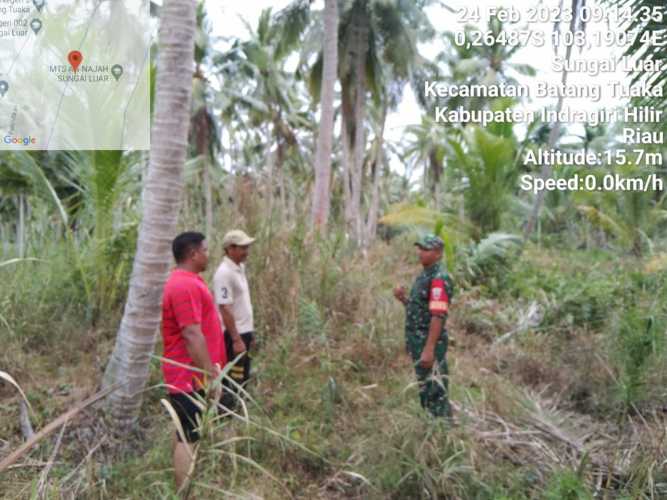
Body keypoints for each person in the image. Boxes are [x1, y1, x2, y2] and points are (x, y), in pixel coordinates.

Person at [161, 231, 226, 490]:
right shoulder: (183, 285)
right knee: (188, 435)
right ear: (193, 254)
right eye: (206, 250)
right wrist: (209, 374)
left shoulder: (188, 281)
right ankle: (183, 493)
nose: (208, 255)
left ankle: (184, 489)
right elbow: (191, 333)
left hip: (191, 373)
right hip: (188, 376)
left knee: (186, 432)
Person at [393, 234, 454, 418]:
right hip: (418, 341)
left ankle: (441, 429)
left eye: (425, 249)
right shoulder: (425, 275)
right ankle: (431, 423)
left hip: (427, 342)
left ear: (438, 254)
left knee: (435, 389)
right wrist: (404, 299)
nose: (420, 252)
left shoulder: (438, 278)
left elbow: (437, 316)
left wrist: (429, 349)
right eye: (419, 248)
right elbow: (421, 309)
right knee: (425, 386)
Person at [213, 229, 256, 410]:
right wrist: (237, 339)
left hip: (244, 331)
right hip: (233, 334)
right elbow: (225, 308)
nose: (246, 251)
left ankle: (238, 409)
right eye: (242, 248)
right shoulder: (224, 274)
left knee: (244, 373)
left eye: (247, 247)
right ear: (230, 249)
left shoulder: (239, 268)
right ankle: (228, 412)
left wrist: (249, 333)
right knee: (234, 376)